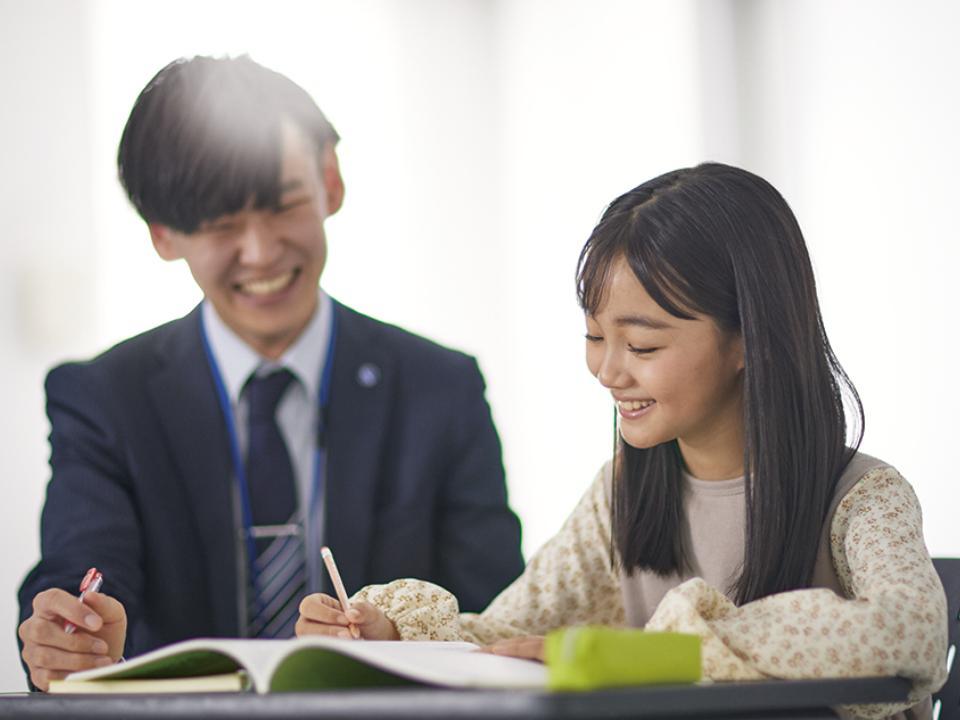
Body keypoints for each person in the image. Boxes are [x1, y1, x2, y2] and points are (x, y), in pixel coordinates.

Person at [296, 163, 947, 719]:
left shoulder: (861, 497)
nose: (608, 371)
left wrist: (661, 655)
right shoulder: (621, 495)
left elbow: (912, 632)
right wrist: (392, 633)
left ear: (750, 337)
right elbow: (507, 635)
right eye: (593, 337)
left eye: (641, 344)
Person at [17, 55, 524, 691]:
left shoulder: (440, 388)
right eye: (222, 225)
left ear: (330, 183)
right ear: (163, 234)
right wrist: (70, 634)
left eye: (283, 207)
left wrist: (402, 631)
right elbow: (83, 565)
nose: (261, 252)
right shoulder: (102, 399)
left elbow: (498, 616)